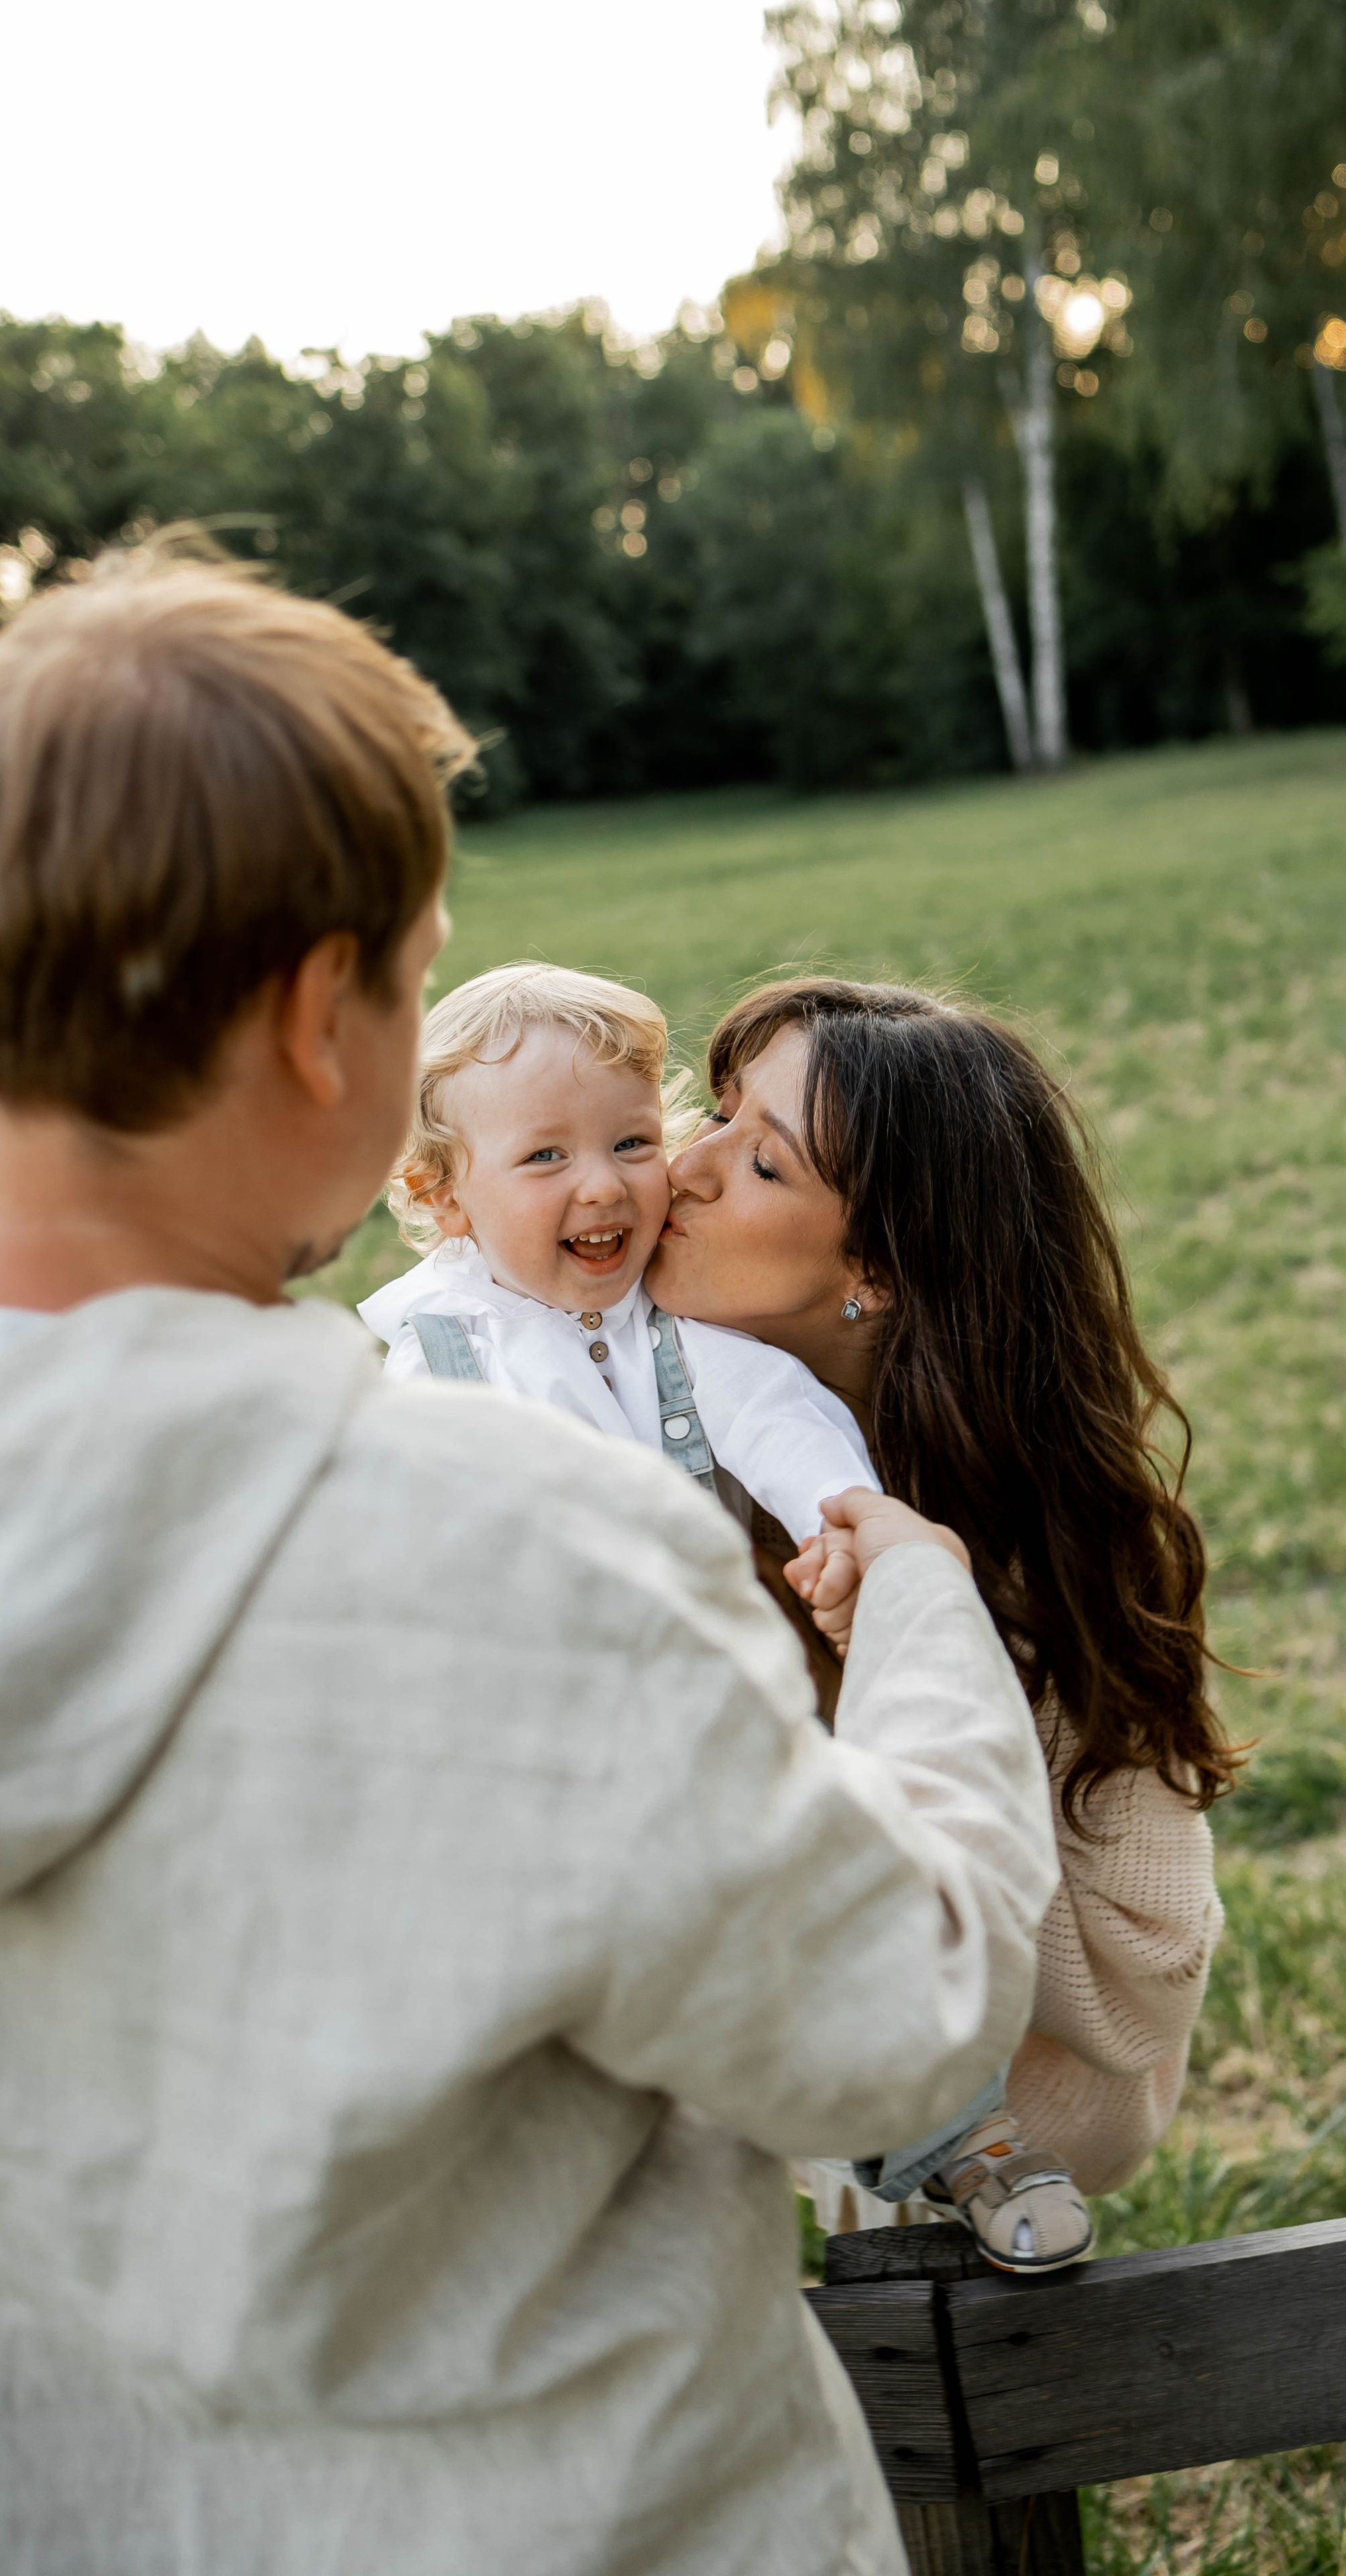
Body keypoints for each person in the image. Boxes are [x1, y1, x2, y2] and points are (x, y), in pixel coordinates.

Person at [0, 557, 1059, 2576]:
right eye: (416, 972)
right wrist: (917, 1597)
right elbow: (898, 2016)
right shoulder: (519, 1557)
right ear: (329, 1018)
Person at [647, 977, 1237, 2260]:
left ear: (876, 1269)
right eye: (712, 1111)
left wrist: (915, 1648)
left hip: (963, 2144)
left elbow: (1132, 1991)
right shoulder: (618, 1425)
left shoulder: (1032, 1557)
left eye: (756, 1162)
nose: (678, 1168)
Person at [358, 961, 880, 1558]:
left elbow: (779, 1423)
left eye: (631, 1143)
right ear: (445, 1196)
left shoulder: (679, 1319)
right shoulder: (439, 1357)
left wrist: (840, 1531)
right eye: (546, 1155)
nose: (604, 1186)